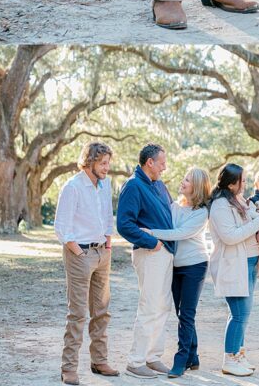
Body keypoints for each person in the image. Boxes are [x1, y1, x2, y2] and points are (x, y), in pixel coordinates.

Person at [54, 142, 118, 386]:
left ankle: (99, 360)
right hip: (80, 254)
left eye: (108, 163)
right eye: (103, 163)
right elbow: (62, 227)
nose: (107, 168)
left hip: (103, 253)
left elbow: (107, 217)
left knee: (102, 311)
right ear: (89, 161)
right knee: (78, 313)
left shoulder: (105, 184)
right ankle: (68, 368)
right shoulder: (73, 187)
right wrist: (78, 253)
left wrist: (108, 245)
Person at [144, 167, 212, 379]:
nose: (183, 182)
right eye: (184, 178)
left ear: (198, 187)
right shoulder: (174, 206)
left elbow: (179, 233)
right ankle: (193, 356)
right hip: (175, 265)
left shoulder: (202, 213)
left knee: (187, 314)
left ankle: (180, 359)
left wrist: (151, 234)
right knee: (181, 312)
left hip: (195, 265)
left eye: (188, 180)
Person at [115, 143, 176, 379]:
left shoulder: (159, 185)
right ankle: (136, 361)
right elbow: (124, 224)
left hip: (165, 253)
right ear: (149, 162)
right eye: (161, 163)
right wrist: (153, 243)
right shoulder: (133, 185)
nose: (164, 167)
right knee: (149, 306)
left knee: (162, 307)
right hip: (149, 253)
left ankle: (153, 357)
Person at [207, 162, 259, 377]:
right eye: (242, 180)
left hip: (251, 261)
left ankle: (239, 354)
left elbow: (253, 217)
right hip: (234, 264)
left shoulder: (239, 200)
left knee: (242, 314)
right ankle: (229, 358)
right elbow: (230, 236)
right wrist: (258, 223)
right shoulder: (219, 205)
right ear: (231, 182)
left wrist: (257, 221)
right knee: (239, 315)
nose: (245, 184)